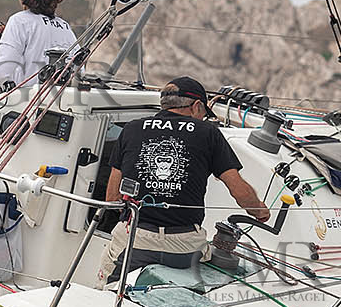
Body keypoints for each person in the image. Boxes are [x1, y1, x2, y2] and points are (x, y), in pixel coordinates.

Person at [96, 76, 270, 283]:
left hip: (135, 239)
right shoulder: (208, 133)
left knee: (106, 287)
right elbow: (237, 189)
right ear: (197, 106)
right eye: (205, 113)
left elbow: (112, 197)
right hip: (185, 247)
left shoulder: (132, 128)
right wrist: (259, 210)